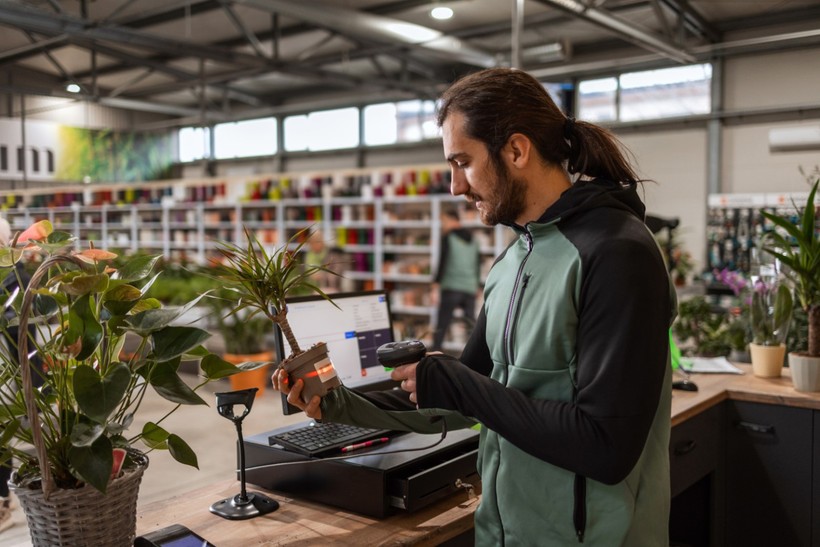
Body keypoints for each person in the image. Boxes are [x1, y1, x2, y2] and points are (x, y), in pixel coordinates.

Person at [273, 67, 674, 545]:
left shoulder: (616, 253)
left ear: (517, 150)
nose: (455, 186)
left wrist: (460, 384)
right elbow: (466, 400)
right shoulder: (513, 260)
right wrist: (336, 403)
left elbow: (607, 447)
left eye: (462, 162)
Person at [431, 208, 481, 351]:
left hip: (451, 287)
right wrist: (477, 285)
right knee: (471, 327)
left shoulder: (448, 237)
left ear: (452, 220)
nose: (443, 224)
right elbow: (477, 264)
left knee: (442, 325)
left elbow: (442, 262)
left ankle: (433, 356)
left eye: (444, 221)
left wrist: (435, 287)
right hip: (470, 287)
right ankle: (476, 356)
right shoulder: (473, 239)